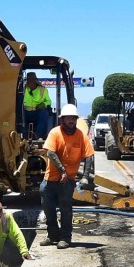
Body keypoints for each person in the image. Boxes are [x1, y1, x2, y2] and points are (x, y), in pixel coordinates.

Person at [40, 103, 95, 249]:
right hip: (50, 180)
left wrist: (85, 176)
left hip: (67, 182)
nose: (71, 120)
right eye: (68, 118)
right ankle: (52, 236)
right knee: (48, 209)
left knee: (66, 210)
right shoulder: (55, 133)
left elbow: (89, 155)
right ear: (62, 120)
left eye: (73, 118)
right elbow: (50, 153)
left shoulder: (81, 136)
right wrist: (62, 170)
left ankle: (65, 238)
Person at [23, 72, 52, 139]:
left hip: (37, 112)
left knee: (45, 113)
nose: (29, 82)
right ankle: (23, 135)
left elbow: (49, 101)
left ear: (35, 81)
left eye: (31, 81)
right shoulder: (23, 89)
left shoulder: (43, 90)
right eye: (28, 81)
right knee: (18, 114)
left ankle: (38, 135)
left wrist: (44, 104)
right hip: (25, 112)